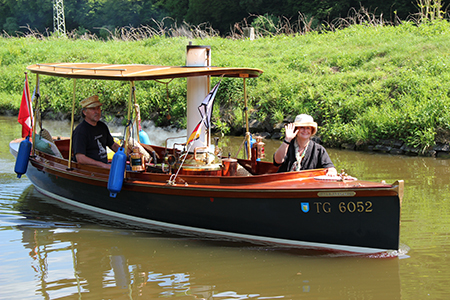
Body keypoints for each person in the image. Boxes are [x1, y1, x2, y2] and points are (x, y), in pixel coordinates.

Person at [273, 114, 337, 176]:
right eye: (302, 127)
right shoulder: (287, 145)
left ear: (312, 130)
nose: (305, 130)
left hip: (308, 184)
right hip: (285, 183)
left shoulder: (318, 149)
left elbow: (331, 167)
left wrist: (331, 171)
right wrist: (287, 140)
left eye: (308, 128)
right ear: (296, 129)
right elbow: (278, 161)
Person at [72, 95, 120, 169]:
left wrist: (127, 154)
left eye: (98, 108)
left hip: (104, 168)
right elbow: (80, 159)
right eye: (93, 109)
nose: (97, 112)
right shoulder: (80, 131)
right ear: (84, 112)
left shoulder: (102, 126)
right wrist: (103, 165)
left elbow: (113, 145)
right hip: (89, 171)